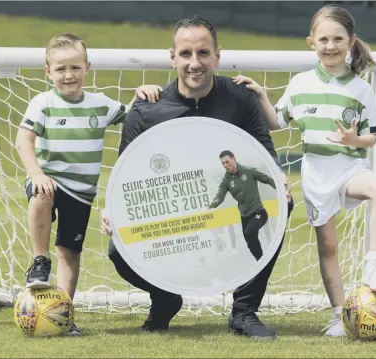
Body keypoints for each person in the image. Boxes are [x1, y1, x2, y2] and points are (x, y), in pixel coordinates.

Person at [100, 16, 294, 341]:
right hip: (176, 213)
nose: (195, 63)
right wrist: (112, 210)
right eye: (186, 54)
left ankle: (244, 312)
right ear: (173, 57)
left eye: (203, 53)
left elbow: (263, 149)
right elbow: (125, 172)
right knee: (119, 251)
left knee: (280, 204)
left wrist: (277, 177)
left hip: (225, 213)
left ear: (217, 56)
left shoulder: (240, 96)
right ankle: (164, 299)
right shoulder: (147, 109)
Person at [232, 4, 376, 337]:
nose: (331, 45)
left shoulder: (361, 89)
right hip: (317, 175)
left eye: (338, 38)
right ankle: (339, 315)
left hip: (349, 168)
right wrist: (262, 95)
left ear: (350, 41)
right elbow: (277, 122)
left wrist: (354, 139)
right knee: (328, 248)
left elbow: (373, 137)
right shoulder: (300, 83)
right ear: (311, 42)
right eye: (324, 39)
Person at [15, 33, 161, 336]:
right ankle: (40, 261)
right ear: (48, 72)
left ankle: (62, 316)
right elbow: (23, 140)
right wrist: (36, 174)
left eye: (75, 68)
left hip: (82, 193)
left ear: (87, 67)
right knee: (41, 196)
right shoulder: (42, 103)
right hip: (51, 180)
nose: (68, 75)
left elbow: (132, 115)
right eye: (60, 69)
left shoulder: (99, 104)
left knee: (69, 252)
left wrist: (141, 93)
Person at [209, 150, 277, 261]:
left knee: (249, 232)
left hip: (259, 212)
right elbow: (220, 195)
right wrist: (215, 202)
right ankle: (261, 262)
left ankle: (267, 253)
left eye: (227, 162)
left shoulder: (249, 171)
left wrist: (281, 188)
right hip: (244, 216)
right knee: (250, 242)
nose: (226, 165)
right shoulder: (226, 181)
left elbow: (267, 179)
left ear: (234, 159)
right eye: (223, 164)